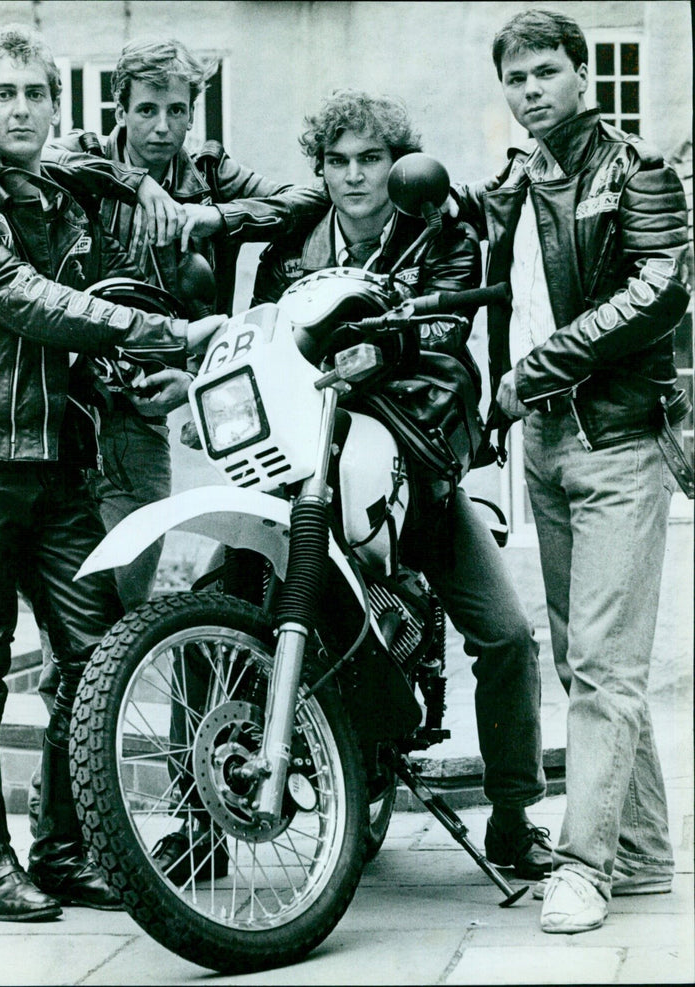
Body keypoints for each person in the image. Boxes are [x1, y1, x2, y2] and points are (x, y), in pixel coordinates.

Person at [0, 24, 224, 923]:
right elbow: (37, 306)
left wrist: (143, 186)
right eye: (5, 94)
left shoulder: (64, 198)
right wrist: (162, 333)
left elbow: (108, 283)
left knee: (94, 657)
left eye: (37, 94)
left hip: (61, 470)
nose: (23, 109)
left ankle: (65, 847)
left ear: (55, 107)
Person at [253, 89, 552, 880]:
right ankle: (197, 803)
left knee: (508, 634)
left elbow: (447, 337)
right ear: (318, 167)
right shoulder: (287, 241)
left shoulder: (439, 229)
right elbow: (260, 331)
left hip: (412, 458)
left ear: (398, 163)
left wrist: (374, 355)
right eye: (339, 162)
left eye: (372, 159)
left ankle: (516, 818)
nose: (356, 177)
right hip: (306, 459)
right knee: (221, 588)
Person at [451, 8, 691, 934]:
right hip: (544, 445)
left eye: (547, 71)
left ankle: (584, 865)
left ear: (583, 75)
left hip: (623, 442)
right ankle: (639, 853)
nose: (532, 90)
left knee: (601, 661)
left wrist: (531, 375)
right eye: (516, 78)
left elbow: (661, 287)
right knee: (594, 660)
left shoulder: (637, 171)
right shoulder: (517, 180)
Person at [45, 37, 328, 609]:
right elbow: (46, 159)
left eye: (177, 111)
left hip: (143, 421)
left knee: (124, 606)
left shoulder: (209, 172)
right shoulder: (82, 152)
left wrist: (214, 217)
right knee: (68, 622)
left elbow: (309, 197)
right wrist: (134, 184)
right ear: (119, 108)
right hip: (61, 413)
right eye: (146, 109)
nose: (161, 128)